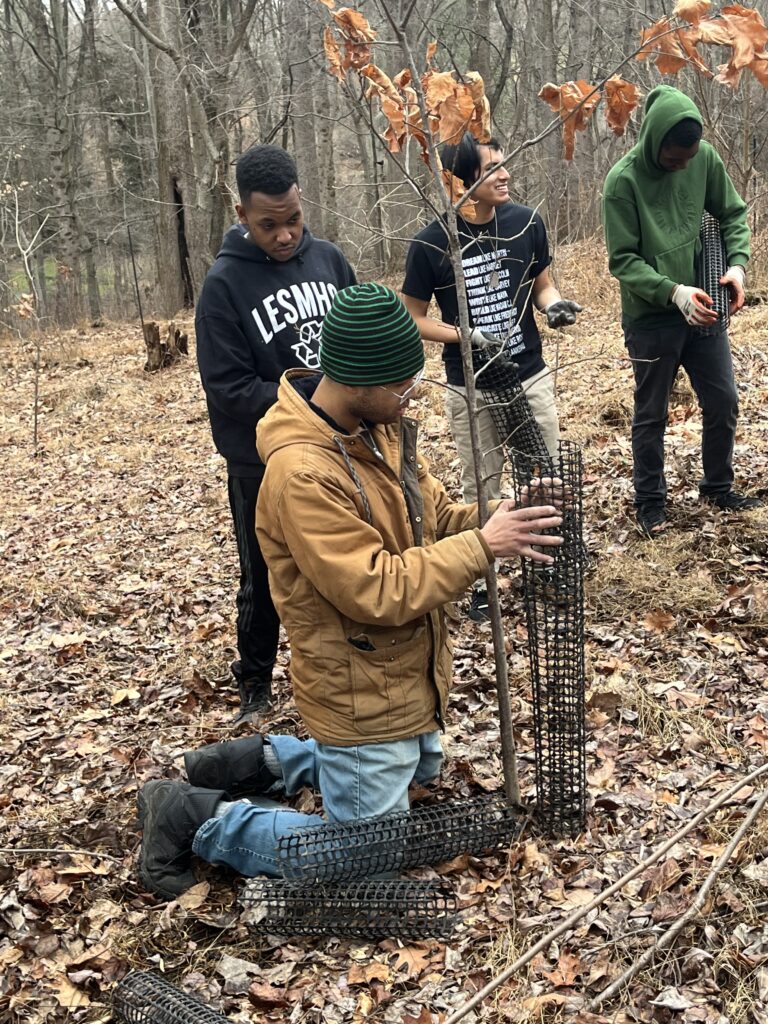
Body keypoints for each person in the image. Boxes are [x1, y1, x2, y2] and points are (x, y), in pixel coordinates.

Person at [138, 284, 564, 899]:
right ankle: (196, 816)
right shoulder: (303, 474)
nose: (413, 394)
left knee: (423, 770)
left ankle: (264, 762)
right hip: (359, 686)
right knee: (364, 857)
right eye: (403, 386)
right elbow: (375, 588)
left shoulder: (374, 425)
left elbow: (435, 517)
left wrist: (500, 516)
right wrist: (484, 547)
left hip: (403, 674)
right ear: (358, 381)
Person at [196, 144, 357, 722]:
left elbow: (360, 335)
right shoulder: (223, 286)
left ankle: (350, 669)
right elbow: (229, 388)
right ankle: (255, 684)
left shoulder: (330, 260)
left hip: (339, 447)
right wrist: (314, 398)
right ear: (242, 214)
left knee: (346, 562)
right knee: (262, 577)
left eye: (293, 219)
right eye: (269, 225)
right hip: (260, 461)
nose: (285, 235)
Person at [401, 131, 581, 621]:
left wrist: (553, 306)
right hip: (470, 384)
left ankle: (550, 565)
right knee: (483, 484)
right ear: (461, 181)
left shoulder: (525, 223)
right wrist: (467, 336)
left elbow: (542, 285)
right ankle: (484, 580)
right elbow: (412, 316)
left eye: (504, 163)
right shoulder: (431, 242)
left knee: (545, 473)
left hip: (528, 373)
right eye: (492, 168)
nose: (505, 174)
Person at [603, 85, 760, 538]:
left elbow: (732, 213)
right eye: (675, 159)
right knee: (652, 411)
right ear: (655, 142)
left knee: (723, 400)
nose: (684, 166)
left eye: (689, 158)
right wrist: (673, 293)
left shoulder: (703, 158)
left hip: (705, 306)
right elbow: (623, 261)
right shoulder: (622, 182)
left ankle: (718, 487)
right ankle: (650, 502)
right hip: (652, 318)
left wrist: (736, 266)